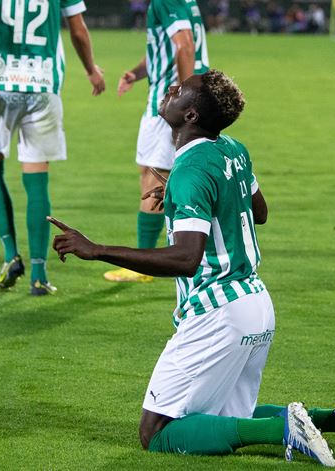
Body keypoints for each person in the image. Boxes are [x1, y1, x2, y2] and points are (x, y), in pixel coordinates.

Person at [48, 70, 335, 465]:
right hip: (255, 303)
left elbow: (186, 259)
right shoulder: (234, 149)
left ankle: (282, 430)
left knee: (156, 432)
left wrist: (97, 249)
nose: (171, 89)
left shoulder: (189, 171)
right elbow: (260, 211)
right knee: (224, 415)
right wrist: (186, 193)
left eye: (180, 90)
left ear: (190, 116)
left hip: (218, 313)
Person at [0, 0, 105, 295]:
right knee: (37, 178)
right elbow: (78, 29)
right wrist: (91, 68)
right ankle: (39, 275)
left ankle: (10, 255)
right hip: (42, 84)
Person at [104, 0, 208, 283]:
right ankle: (189, 253)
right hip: (185, 102)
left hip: (166, 107)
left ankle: (144, 265)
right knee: (171, 176)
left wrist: (183, 98)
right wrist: (136, 73)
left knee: (154, 177)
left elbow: (184, 45)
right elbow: (164, 50)